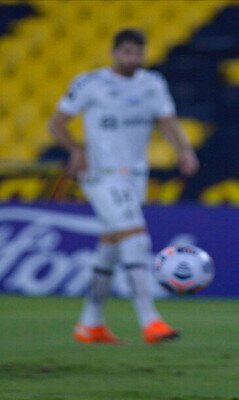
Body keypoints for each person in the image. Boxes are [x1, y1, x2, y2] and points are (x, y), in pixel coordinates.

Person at [48, 28, 200, 345]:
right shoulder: (90, 83)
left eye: (138, 53)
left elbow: (167, 121)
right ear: (114, 52)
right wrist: (76, 150)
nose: (133, 58)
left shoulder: (153, 84)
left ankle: (90, 324)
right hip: (101, 174)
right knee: (135, 236)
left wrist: (183, 149)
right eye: (127, 52)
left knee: (111, 246)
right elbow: (56, 123)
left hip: (135, 176)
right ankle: (150, 321)